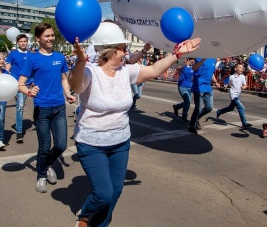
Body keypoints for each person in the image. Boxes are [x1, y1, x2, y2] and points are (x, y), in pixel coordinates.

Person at [68, 27, 201, 226]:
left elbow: (155, 70)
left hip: (120, 142)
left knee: (116, 192)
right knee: (103, 194)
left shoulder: (126, 71)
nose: (127, 52)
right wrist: (80, 61)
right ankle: (84, 215)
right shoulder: (90, 72)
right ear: (110, 50)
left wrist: (176, 54)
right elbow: (76, 85)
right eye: (123, 48)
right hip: (91, 142)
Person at [18, 23, 76, 193]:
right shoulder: (32, 59)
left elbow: (64, 78)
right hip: (42, 109)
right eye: (47, 36)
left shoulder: (59, 57)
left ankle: (48, 163)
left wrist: (68, 93)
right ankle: (41, 175)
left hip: (59, 107)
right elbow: (20, 83)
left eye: (52, 35)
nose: (51, 38)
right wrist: (29, 91)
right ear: (38, 38)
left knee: (61, 145)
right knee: (44, 147)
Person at [5, 34, 32, 143]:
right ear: (17, 43)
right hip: (18, 84)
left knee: (39, 105)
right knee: (20, 106)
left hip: (29, 84)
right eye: (21, 41)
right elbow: (7, 68)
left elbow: (33, 68)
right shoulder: (13, 54)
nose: (23, 43)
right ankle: (19, 132)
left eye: (25, 41)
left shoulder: (31, 54)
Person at [188, 58, 220, 134]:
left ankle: (196, 119)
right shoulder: (200, 57)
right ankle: (191, 125)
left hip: (208, 87)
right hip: (199, 86)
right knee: (198, 108)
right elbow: (194, 68)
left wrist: (215, 81)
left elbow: (211, 72)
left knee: (209, 107)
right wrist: (203, 60)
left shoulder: (213, 60)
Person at [216, 63, 252, 128]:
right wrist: (226, 85)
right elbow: (229, 83)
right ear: (235, 69)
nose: (242, 69)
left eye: (242, 67)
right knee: (241, 107)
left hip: (238, 95)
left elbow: (245, 84)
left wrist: (244, 87)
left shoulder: (243, 76)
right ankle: (244, 123)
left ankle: (219, 111)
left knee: (231, 108)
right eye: (240, 67)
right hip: (233, 95)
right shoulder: (231, 77)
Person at [173, 58, 195, 122]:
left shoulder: (193, 67)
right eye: (191, 59)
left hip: (190, 87)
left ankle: (177, 107)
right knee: (187, 101)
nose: (192, 61)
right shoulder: (184, 67)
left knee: (187, 102)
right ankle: (184, 117)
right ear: (188, 60)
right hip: (182, 86)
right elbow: (177, 68)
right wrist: (185, 64)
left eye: (193, 60)